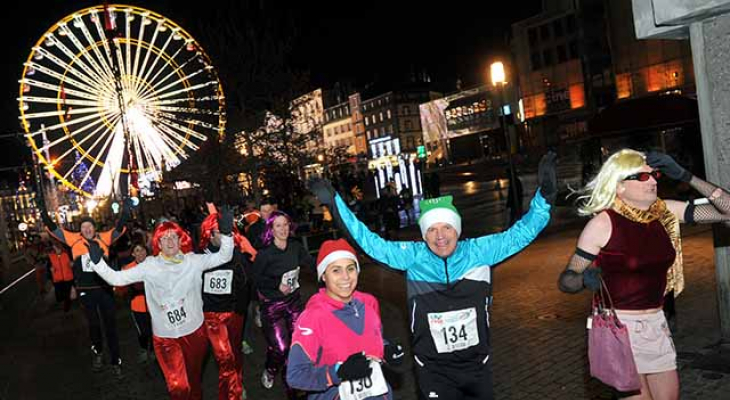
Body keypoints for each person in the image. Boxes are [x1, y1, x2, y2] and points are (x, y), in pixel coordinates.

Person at [311, 152, 558, 399]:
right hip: (433, 369)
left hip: (477, 366)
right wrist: (335, 203)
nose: (440, 236)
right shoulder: (414, 258)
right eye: (432, 229)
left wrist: (545, 196)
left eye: (447, 227)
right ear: (424, 234)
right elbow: (369, 242)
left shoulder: (479, 252)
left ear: (457, 230)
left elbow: (521, 233)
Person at [557, 149, 730, 400]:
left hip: (658, 325)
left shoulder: (665, 212)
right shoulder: (603, 224)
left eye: (655, 175)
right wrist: (583, 280)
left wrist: (686, 176)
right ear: (619, 187)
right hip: (621, 331)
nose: (653, 181)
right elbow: (567, 278)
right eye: (641, 177)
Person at [85, 209, 235, 400]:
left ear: (181, 240)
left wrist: (227, 234)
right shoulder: (150, 265)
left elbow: (224, 256)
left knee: (194, 383)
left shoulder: (193, 261)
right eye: (165, 238)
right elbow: (117, 279)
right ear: (158, 243)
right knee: (178, 387)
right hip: (166, 339)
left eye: (174, 237)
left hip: (195, 333)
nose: (170, 242)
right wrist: (98, 263)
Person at [287, 239, 402, 399]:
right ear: (324, 276)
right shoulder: (312, 317)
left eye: (350, 268)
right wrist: (337, 372)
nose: (346, 277)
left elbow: (376, 340)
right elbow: (295, 375)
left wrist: (387, 351)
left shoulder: (369, 303)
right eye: (336, 270)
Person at [38, 196, 131, 373]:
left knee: (110, 325)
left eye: (90, 226)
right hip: (86, 291)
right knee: (93, 324)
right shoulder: (73, 239)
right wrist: (44, 213)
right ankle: (97, 352)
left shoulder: (104, 238)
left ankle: (116, 360)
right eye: (83, 227)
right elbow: (54, 229)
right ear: (80, 230)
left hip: (104, 289)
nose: (87, 229)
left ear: (94, 228)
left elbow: (119, 228)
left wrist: (125, 211)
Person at [252, 210, 314, 398]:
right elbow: (254, 279)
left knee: (295, 347)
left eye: (285, 224)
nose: (283, 229)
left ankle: (292, 391)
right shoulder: (265, 254)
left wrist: (329, 269)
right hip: (272, 306)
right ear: (271, 229)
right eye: (278, 225)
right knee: (280, 348)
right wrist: (276, 285)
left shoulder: (295, 247)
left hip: (294, 303)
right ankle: (270, 369)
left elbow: (311, 263)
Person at [199, 211, 257, 400]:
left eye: (227, 233)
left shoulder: (236, 255)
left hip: (235, 314)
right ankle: (232, 393)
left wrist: (241, 309)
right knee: (224, 359)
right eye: (218, 232)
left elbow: (247, 281)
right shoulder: (199, 258)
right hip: (212, 317)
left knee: (236, 354)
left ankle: (237, 384)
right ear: (208, 234)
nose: (224, 237)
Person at [118, 243, 155, 363]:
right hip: (138, 306)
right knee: (143, 331)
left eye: (142, 250)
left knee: (155, 329)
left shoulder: (154, 264)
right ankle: (144, 349)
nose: (140, 253)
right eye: (137, 251)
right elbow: (120, 289)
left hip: (155, 305)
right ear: (133, 254)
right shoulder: (128, 268)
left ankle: (155, 351)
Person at [47, 240, 74, 312]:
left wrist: (72, 265)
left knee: (67, 294)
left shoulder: (67, 254)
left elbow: (73, 264)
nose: (56, 248)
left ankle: (66, 306)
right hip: (57, 278)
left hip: (68, 277)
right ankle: (64, 302)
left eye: (57, 246)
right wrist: (50, 269)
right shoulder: (50, 256)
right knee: (59, 296)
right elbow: (48, 266)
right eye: (54, 247)